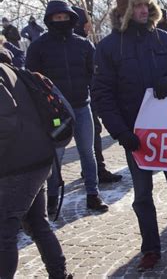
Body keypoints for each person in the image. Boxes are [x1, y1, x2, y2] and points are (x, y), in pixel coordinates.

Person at [92, 0, 167, 270]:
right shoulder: (108, 47)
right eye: (137, 6)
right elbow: (102, 94)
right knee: (143, 196)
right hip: (135, 134)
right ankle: (151, 250)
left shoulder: (164, 38)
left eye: (146, 5)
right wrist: (121, 133)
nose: (143, 10)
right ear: (125, 11)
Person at [25, 0, 108, 214]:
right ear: (50, 19)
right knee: (56, 155)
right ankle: (52, 197)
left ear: (71, 19)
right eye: (57, 17)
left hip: (82, 106)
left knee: (87, 152)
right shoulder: (38, 47)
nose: (61, 21)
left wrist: (94, 94)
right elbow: (32, 80)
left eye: (64, 17)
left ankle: (93, 194)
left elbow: (94, 74)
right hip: (55, 112)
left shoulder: (83, 44)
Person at [0, 52, 71, 279]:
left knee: (4, 231)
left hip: (16, 166)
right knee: (36, 222)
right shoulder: (12, 70)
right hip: (38, 158)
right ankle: (59, 274)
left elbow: (6, 122)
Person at [71, 6, 122, 184]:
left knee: (93, 135)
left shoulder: (85, 42)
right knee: (90, 136)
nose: (90, 26)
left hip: (86, 96)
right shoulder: (81, 44)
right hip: (83, 98)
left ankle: (92, 169)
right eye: (87, 22)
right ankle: (95, 170)